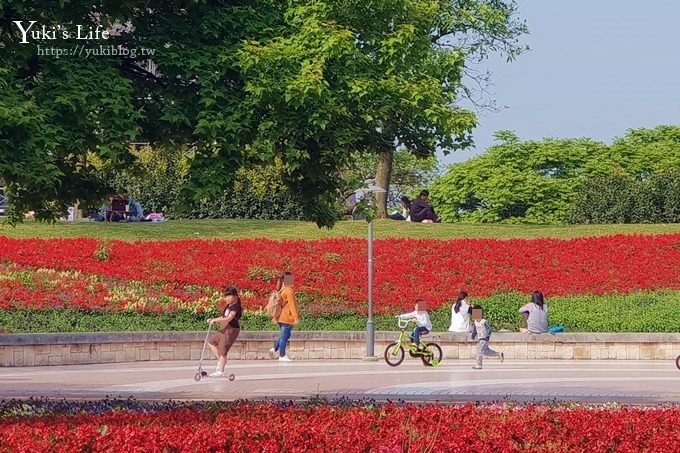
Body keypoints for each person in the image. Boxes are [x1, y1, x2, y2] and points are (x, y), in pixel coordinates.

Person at [206, 287, 242, 377]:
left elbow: (229, 318)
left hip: (231, 330)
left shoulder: (236, 307)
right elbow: (223, 317)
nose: (227, 298)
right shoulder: (228, 306)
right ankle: (221, 361)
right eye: (226, 296)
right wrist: (213, 319)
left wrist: (216, 321)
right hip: (224, 329)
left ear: (235, 297)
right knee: (211, 341)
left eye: (229, 296)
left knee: (223, 349)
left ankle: (221, 371)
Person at [270, 272, 300, 362]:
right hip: (287, 317)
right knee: (284, 337)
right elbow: (292, 305)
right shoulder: (289, 291)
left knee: (285, 335)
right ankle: (282, 355)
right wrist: (296, 318)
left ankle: (275, 348)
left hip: (280, 317)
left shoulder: (281, 290)